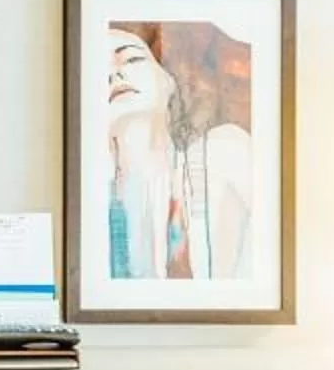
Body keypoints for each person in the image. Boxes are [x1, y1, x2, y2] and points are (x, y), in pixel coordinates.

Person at [105, 22, 255, 280]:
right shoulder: (95, 206)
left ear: (168, 81)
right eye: (98, 70)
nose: (115, 74)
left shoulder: (226, 149)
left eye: (131, 59)